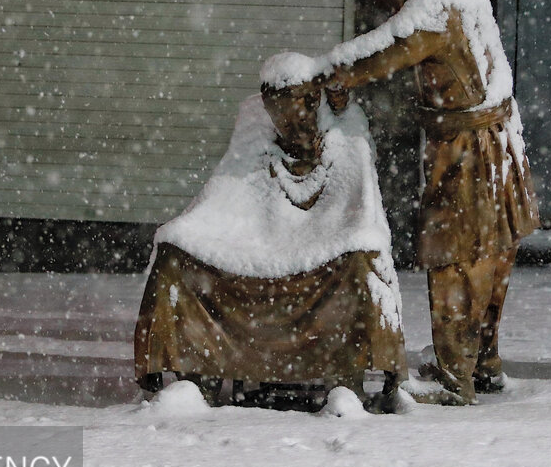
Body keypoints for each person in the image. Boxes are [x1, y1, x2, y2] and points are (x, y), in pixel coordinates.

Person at [303, 0, 540, 405]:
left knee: (455, 259)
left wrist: (329, 73)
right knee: (491, 254)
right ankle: (483, 362)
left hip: (470, 149)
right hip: (497, 140)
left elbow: (387, 50)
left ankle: (457, 381)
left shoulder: (433, 3)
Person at [134, 52, 405, 409]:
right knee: (175, 253)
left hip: (325, 245)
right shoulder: (256, 130)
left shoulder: (343, 130)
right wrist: (187, 232)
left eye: (294, 114)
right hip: (255, 242)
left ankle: (345, 381)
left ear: (312, 101)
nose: (286, 127)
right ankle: (197, 377)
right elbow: (224, 197)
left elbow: (360, 212)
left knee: (360, 260)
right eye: (277, 116)